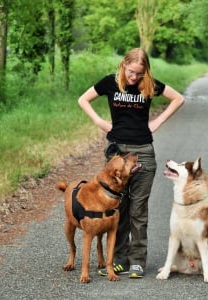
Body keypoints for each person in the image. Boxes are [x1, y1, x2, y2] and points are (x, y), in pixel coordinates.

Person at [78, 48, 184, 278]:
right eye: (130, 71)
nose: (134, 77)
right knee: (118, 207)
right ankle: (119, 259)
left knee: (138, 209)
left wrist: (157, 122)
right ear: (123, 65)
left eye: (139, 73)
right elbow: (83, 99)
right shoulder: (110, 82)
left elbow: (178, 98)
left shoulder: (149, 84)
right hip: (116, 154)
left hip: (143, 152)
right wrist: (99, 121)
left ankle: (137, 261)